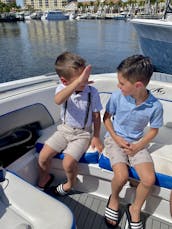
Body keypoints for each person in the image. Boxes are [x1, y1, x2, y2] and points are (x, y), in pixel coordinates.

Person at [103, 55, 163, 228]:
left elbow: (153, 131)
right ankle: (114, 199)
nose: (118, 86)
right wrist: (116, 138)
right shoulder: (117, 96)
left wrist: (138, 146)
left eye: (122, 83)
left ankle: (134, 209)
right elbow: (107, 119)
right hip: (115, 140)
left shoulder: (155, 106)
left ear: (137, 85)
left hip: (137, 143)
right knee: (121, 176)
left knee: (148, 180)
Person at [38, 51, 103, 195]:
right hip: (64, 130)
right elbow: (58, 100)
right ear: (64, 81)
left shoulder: (92, 92)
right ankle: (45, 177)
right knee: (42, 157)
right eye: (81, 80)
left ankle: (69, 184)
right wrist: (76, 84)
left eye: (86, 78)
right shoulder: (62, 89)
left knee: (68, 163)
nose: (85, 82)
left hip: (82, 134)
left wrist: (96, 136)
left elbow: (96, 115)